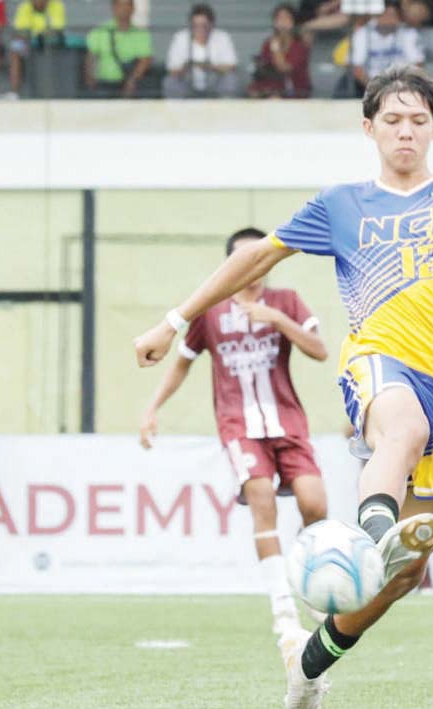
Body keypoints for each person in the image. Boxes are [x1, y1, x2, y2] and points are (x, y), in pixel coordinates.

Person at [133, 65, 433, 709]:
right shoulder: (342, 203)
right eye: (392, 120)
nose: (405, 131)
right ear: (368, 128)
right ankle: (371, 532)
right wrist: (172, 322)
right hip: (378, 363)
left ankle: (309, 666)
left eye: (418, 120)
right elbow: (256, 258)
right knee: (400, 430)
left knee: (401, 576)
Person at [139, 227, 330, 676]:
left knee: (314, 504)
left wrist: (276, 320)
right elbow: (181, 364)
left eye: (258, 257)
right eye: (242, 258)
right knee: (261, 502)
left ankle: (311, 589)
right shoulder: (209, 312)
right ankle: (282, 606)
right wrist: (151, 409)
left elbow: (320, 351)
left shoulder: (287, 301)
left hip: (288, 421)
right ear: (229, 265)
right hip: (239, 425)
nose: (252, 266)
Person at [163, 3, 238, 99]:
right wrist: (188, 66)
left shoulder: (222, 37)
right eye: (195, 25)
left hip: (215, 83)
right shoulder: (180, 38)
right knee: (170, 82)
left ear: (212, 24)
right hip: (187, 83)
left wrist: (209, 66)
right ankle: (176, 111)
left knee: (231, 79)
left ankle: (225, 109)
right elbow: (172, 69)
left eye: (204, 25)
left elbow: (231, 66)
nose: (200, 29)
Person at [85, 0, 153, 99]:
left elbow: (146, 60)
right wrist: (90, 80)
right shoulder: (101, 31)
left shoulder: (141, 34)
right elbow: (90, 57)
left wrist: (132, 80)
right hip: (105, 83)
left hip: (131, 84)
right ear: (113, 8)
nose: (124, 9)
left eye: (127, 5)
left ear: (133, 8)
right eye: (120, 6)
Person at [350, 1, 422, 91]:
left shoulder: (409, 33)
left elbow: (417, 65)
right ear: (376, 15)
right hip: (369, 88)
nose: (388, 19)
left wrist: (404, 88)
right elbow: (357, 69)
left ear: (399, 17)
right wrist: (375, 89)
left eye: (392, 15)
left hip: (404, 87)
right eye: (385, 15)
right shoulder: (363, 33)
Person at [248, 3, 312, 99]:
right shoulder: (267, 43)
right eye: (279, 18)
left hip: (294, 88)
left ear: (294, 22)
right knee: (253, 92)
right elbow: (265, 67)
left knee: (274, 98)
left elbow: (284, 68)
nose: (283, 22)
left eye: (287, 18)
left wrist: (276, 47)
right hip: (272, 85)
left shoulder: (300, 45)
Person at [5, 0, 65, 99]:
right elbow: (20, 31)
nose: (38, 2)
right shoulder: (25, 6)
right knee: (15, 47)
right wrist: (32, 38)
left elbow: (57, 29)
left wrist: (41, 36)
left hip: (51, 44)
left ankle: (53, 89)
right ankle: (14, 91)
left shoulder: (57, 5)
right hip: (29, 43)